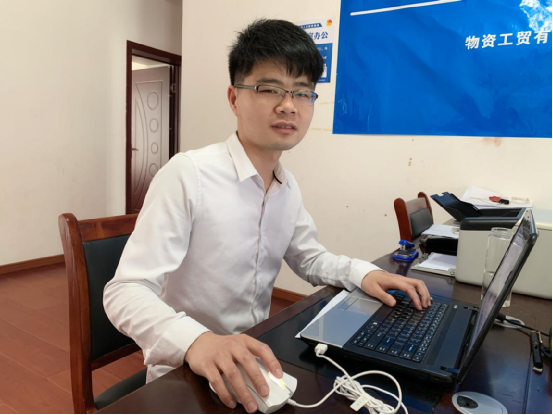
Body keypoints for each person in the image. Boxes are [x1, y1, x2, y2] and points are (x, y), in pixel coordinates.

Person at [104, 19, 432, 414]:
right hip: (188, 370)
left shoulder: (286, 186)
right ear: (234, 98)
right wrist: (197, 341)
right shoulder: (189, 175)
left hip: (259, 358)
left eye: (302, 92)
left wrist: (364, 274)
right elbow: (124, 291)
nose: (288, 105)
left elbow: (309, 258)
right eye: (269, 88)